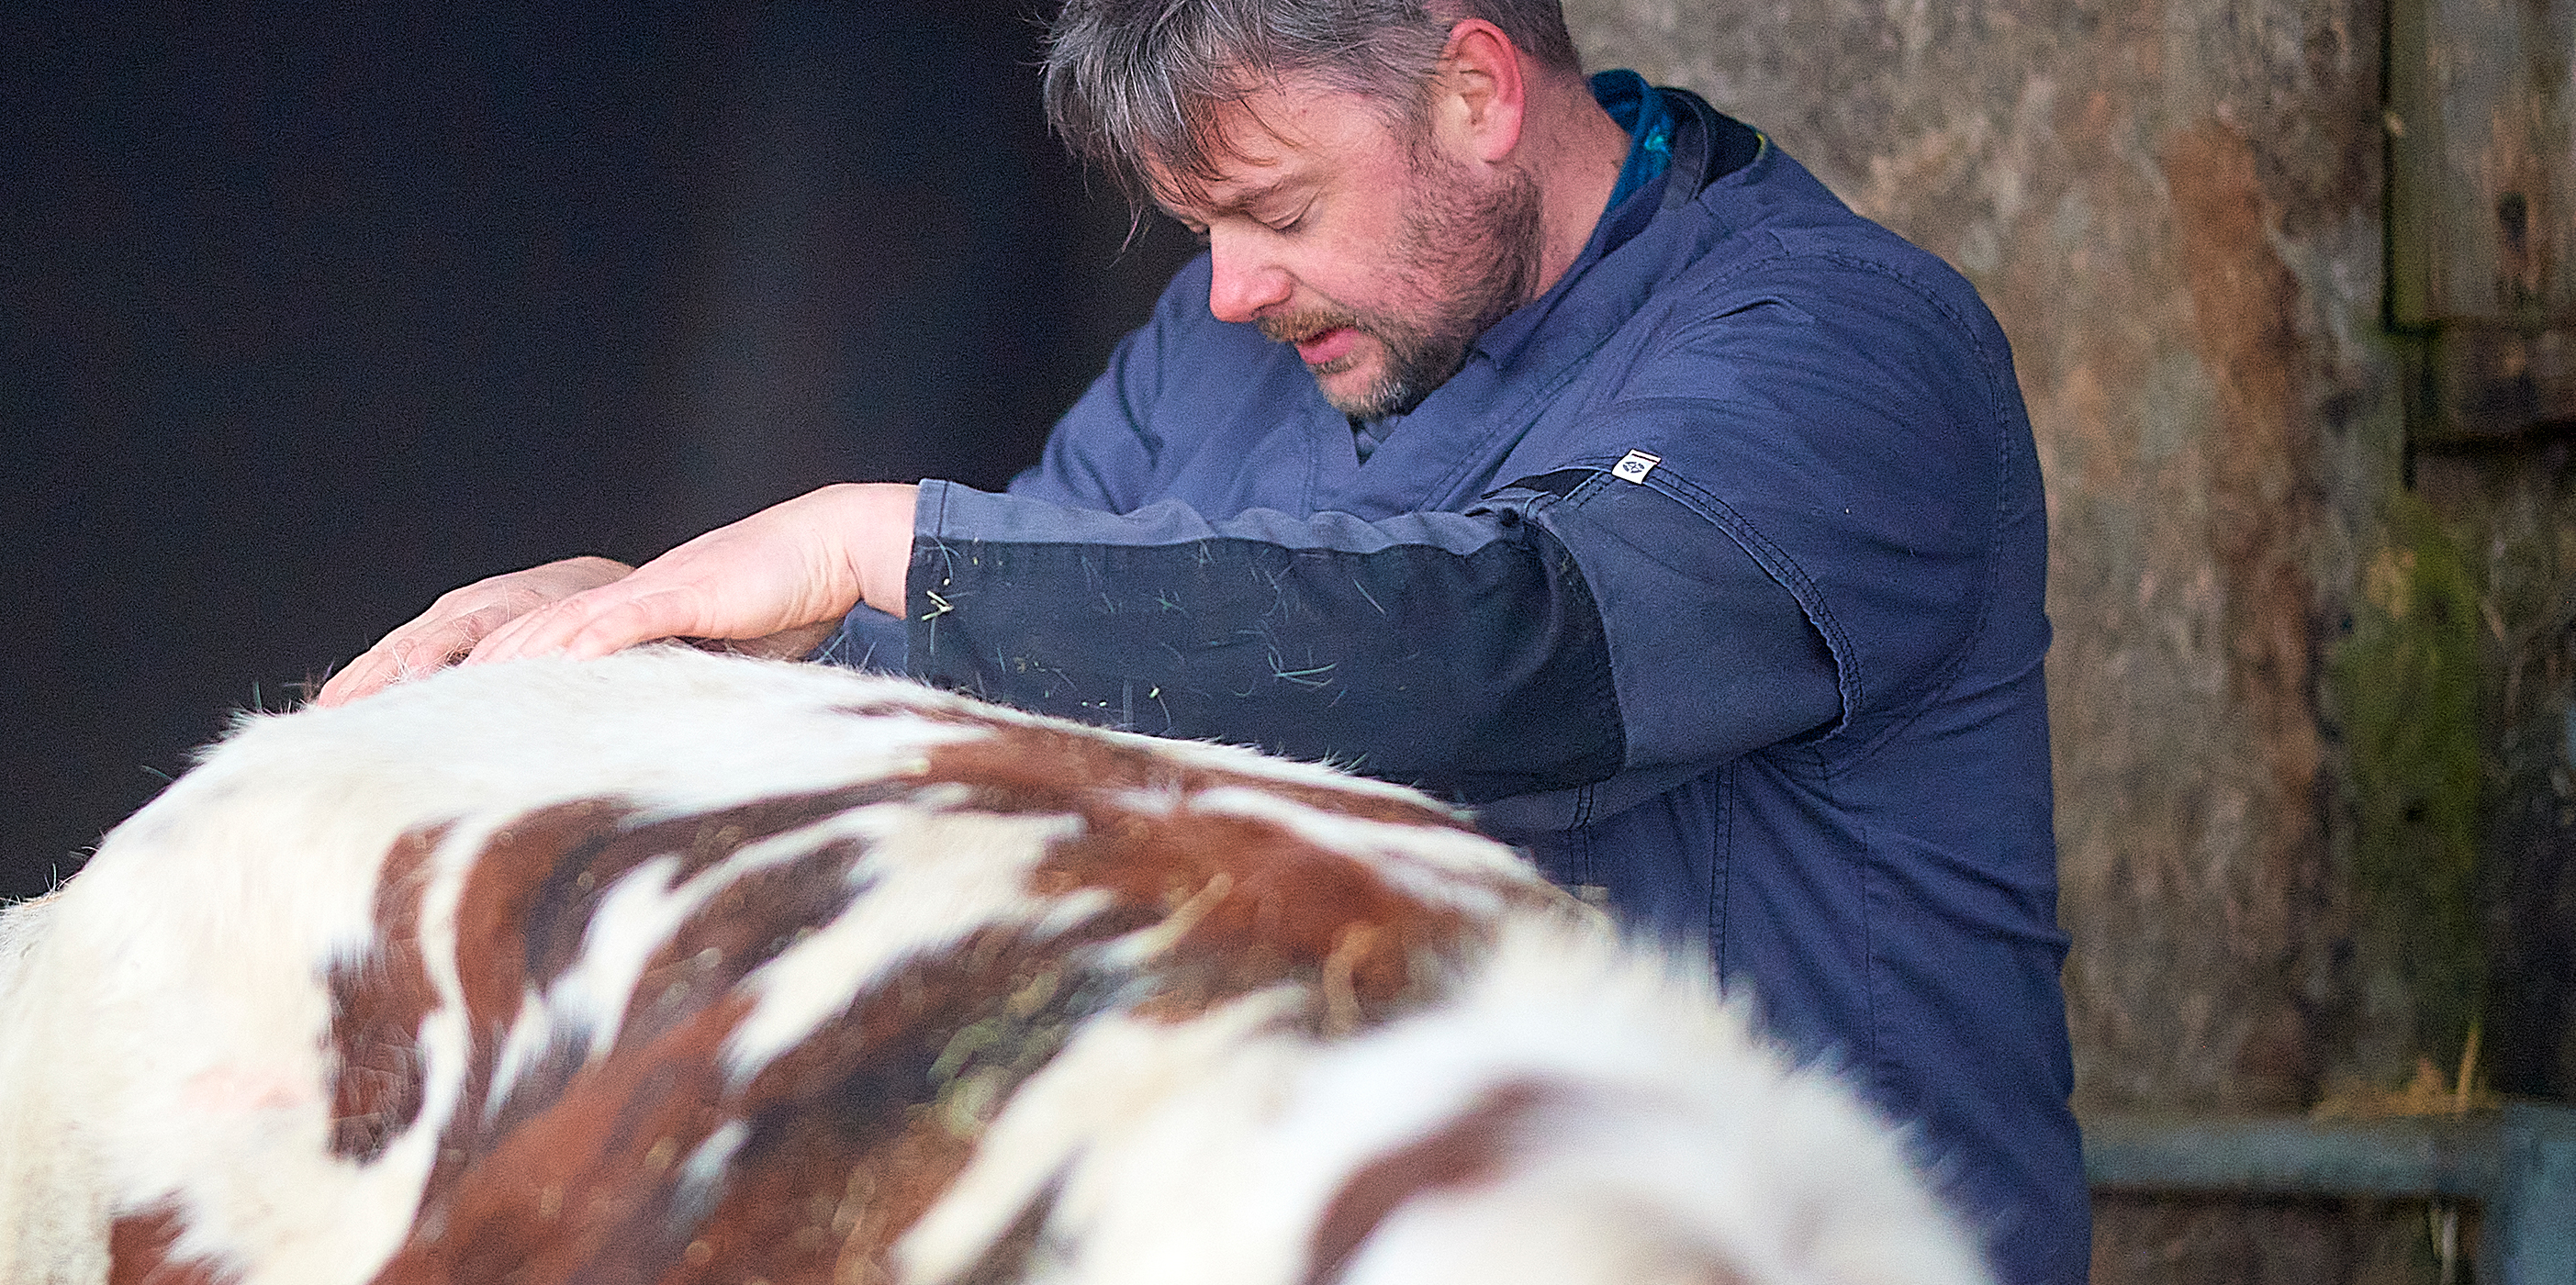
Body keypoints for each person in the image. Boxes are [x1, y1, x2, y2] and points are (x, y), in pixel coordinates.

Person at [314, 2, 2086, 1281]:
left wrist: (871, 538)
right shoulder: (1220, 344)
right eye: (1202, 228)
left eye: (1281, 211)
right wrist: (654, 621)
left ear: (1477, 89)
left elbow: (1514, 648)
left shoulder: (1841, 344)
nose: (1232, 289)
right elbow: (1000, 665)